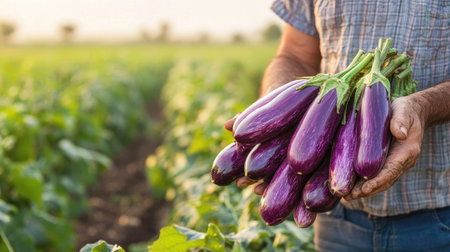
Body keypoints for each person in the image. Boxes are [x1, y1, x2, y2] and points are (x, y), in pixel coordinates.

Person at [225, 0, 450, 251]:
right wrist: (283, 110)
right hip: (333, 213)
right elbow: (292, 54)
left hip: (439, 217)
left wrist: (423, 108)